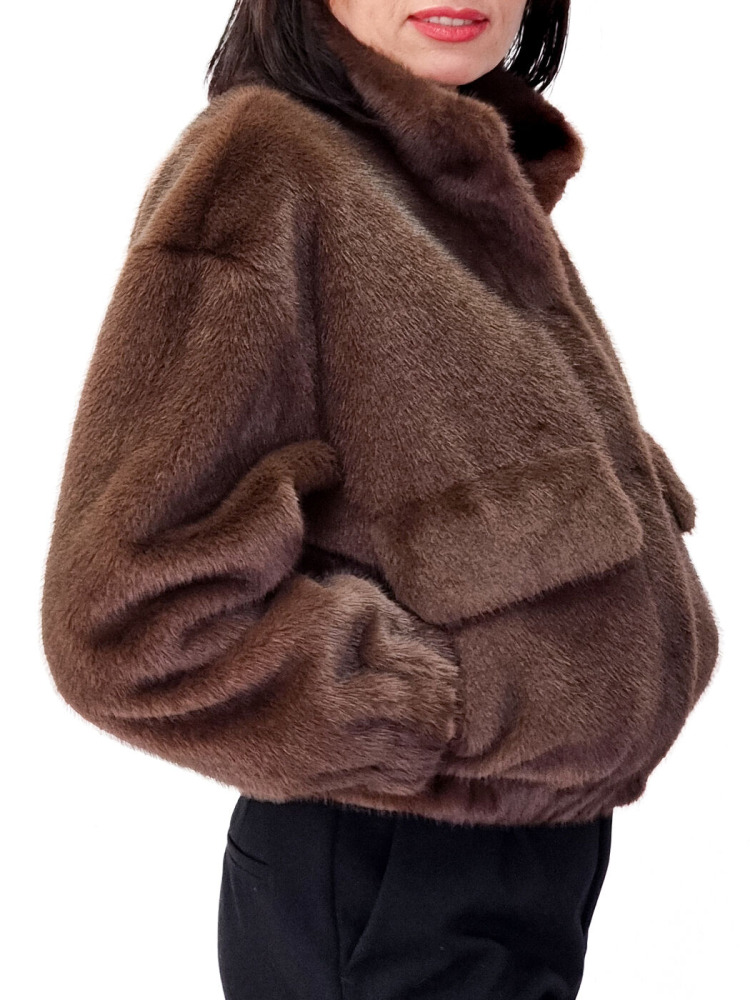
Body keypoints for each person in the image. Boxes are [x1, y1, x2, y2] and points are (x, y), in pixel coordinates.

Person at [40, 1, 720, 997]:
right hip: (387, 867)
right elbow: (124, 619)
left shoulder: (451, 179)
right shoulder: (268, 167)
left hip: (525, 856)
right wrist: (411, 713)